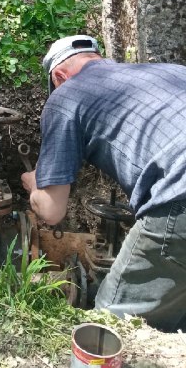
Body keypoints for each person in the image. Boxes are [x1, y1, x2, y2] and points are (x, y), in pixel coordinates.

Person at [22, 34, 186, 332]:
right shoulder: (170, 72)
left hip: (180, 193)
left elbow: (51, 211)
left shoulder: (66, 95)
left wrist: (35, 184)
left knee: (111, 327)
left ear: (59, 77)